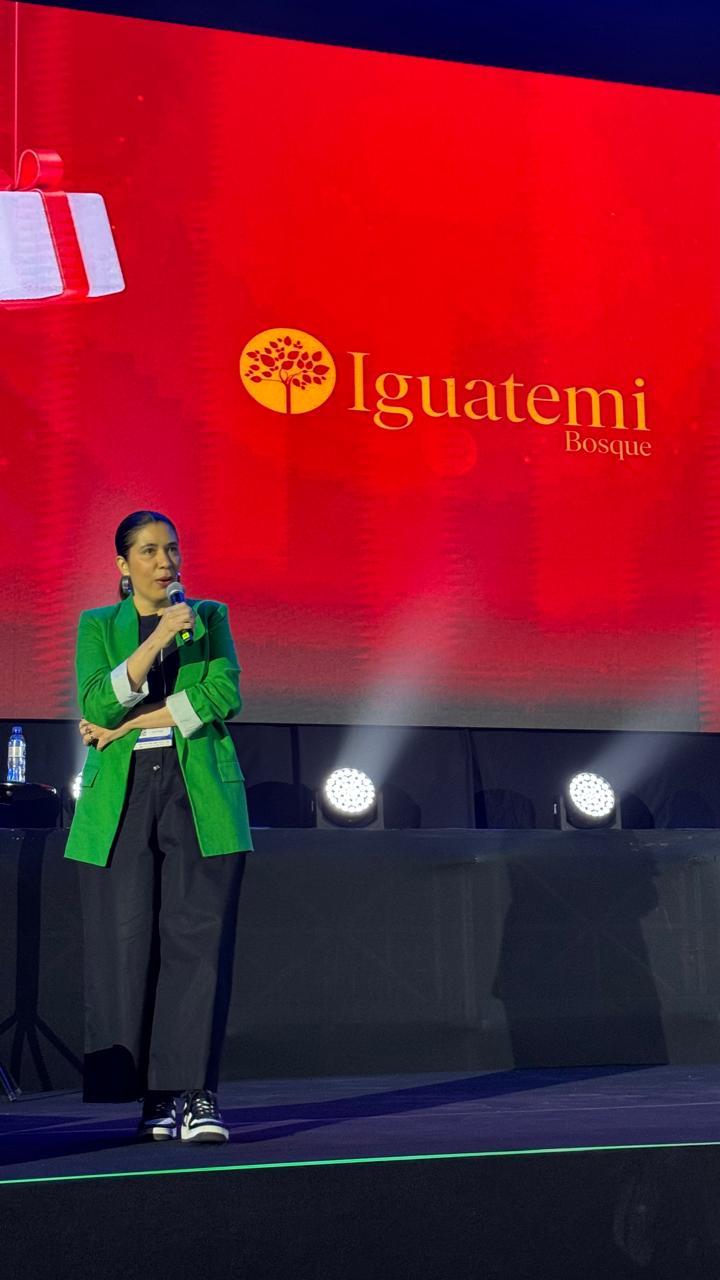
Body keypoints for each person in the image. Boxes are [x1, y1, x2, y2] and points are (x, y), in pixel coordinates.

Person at [64, 509, 253, 1143]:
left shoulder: (211, 616)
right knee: (130, 945)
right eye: (147, 551)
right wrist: (153, 644)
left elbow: (221, 695)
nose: (165, 561)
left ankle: (197, 1095)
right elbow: (94, 700)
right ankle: (154, 1098)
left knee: (195, 944)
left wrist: (126, 724)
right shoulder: (98, 624)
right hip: (121, 798)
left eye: (172, 548)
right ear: (123, 566)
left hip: (197, 791)